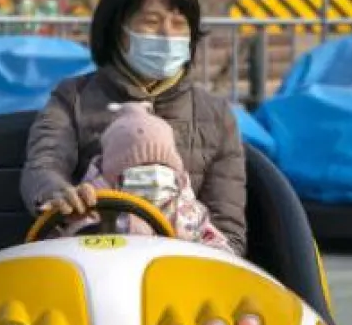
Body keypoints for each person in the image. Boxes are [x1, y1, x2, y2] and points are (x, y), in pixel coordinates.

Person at [21, 0, 247, 253]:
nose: (167, 35)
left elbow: (228, 228)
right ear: (118, 30)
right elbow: (44, 165)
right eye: (151, 22)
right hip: (92, 259)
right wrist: (61, 197)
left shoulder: (215, 116)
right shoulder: (72, 98)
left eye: (179, 24)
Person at [62, 101, 240, 256]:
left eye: (162, 166)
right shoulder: (94, 210)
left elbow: (221, 253)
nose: (154, 176)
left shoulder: (188, 213)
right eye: (140, 168)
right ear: (111, 175)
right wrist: (89, 225)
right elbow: (71, 249)